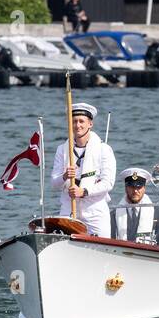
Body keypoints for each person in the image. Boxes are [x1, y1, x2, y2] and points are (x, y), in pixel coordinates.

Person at [50, 102, 116, 238]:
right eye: (74, 121)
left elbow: (108, 183)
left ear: (90, 124)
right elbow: (54, 184)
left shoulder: (104, 149)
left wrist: (84, 191)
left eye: (81, 121)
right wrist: (64, 176)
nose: (77, 125)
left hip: (94, 211)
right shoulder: (62, 149)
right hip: (69, 209)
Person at [113, 167, 159, 243]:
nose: (135, 191)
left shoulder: (157, 213)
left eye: (139, 187)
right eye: (131, 187)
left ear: (144, 188)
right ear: (125, 188)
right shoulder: (114, 214)